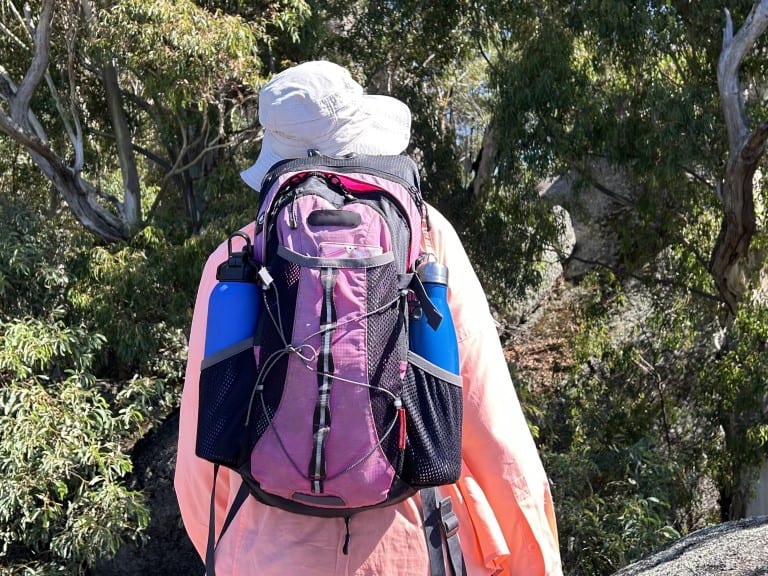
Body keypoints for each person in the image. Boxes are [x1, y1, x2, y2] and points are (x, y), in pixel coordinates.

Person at [175, 60, 563, 576]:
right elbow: (490, 424)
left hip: (264, 552)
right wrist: (531, 562)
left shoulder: (238, 258)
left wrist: (233, 547)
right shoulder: (427, 239)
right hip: (409, 545)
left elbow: (199, 465)